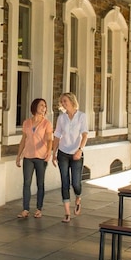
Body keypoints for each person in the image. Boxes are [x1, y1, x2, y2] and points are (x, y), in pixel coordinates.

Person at [52, 92, 88, 223]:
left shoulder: (81, 116)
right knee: (65, 182)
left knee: (76, 183)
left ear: (72, 101)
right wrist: (53, 153)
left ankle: (78, 197)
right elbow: (56, 136)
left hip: (76, 153)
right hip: (63, 153)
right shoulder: (61, 118)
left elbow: (84, 135)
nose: (63, 103)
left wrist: (80, 150)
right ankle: (67, 213)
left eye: (65, 101)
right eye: (62, 101)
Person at [15, 98, 53, 219]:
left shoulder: (47, 123)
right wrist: (18, 156)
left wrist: (48, 152)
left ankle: (38, 208)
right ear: (35, 107)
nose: (44, 108)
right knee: (26, 183)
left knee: (40, 183)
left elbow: (49, 139)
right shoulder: (27, 123)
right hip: (28, 157)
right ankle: (25, 209)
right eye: (41, 105)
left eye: (45, 106)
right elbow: (23, 140)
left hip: (41, 157)